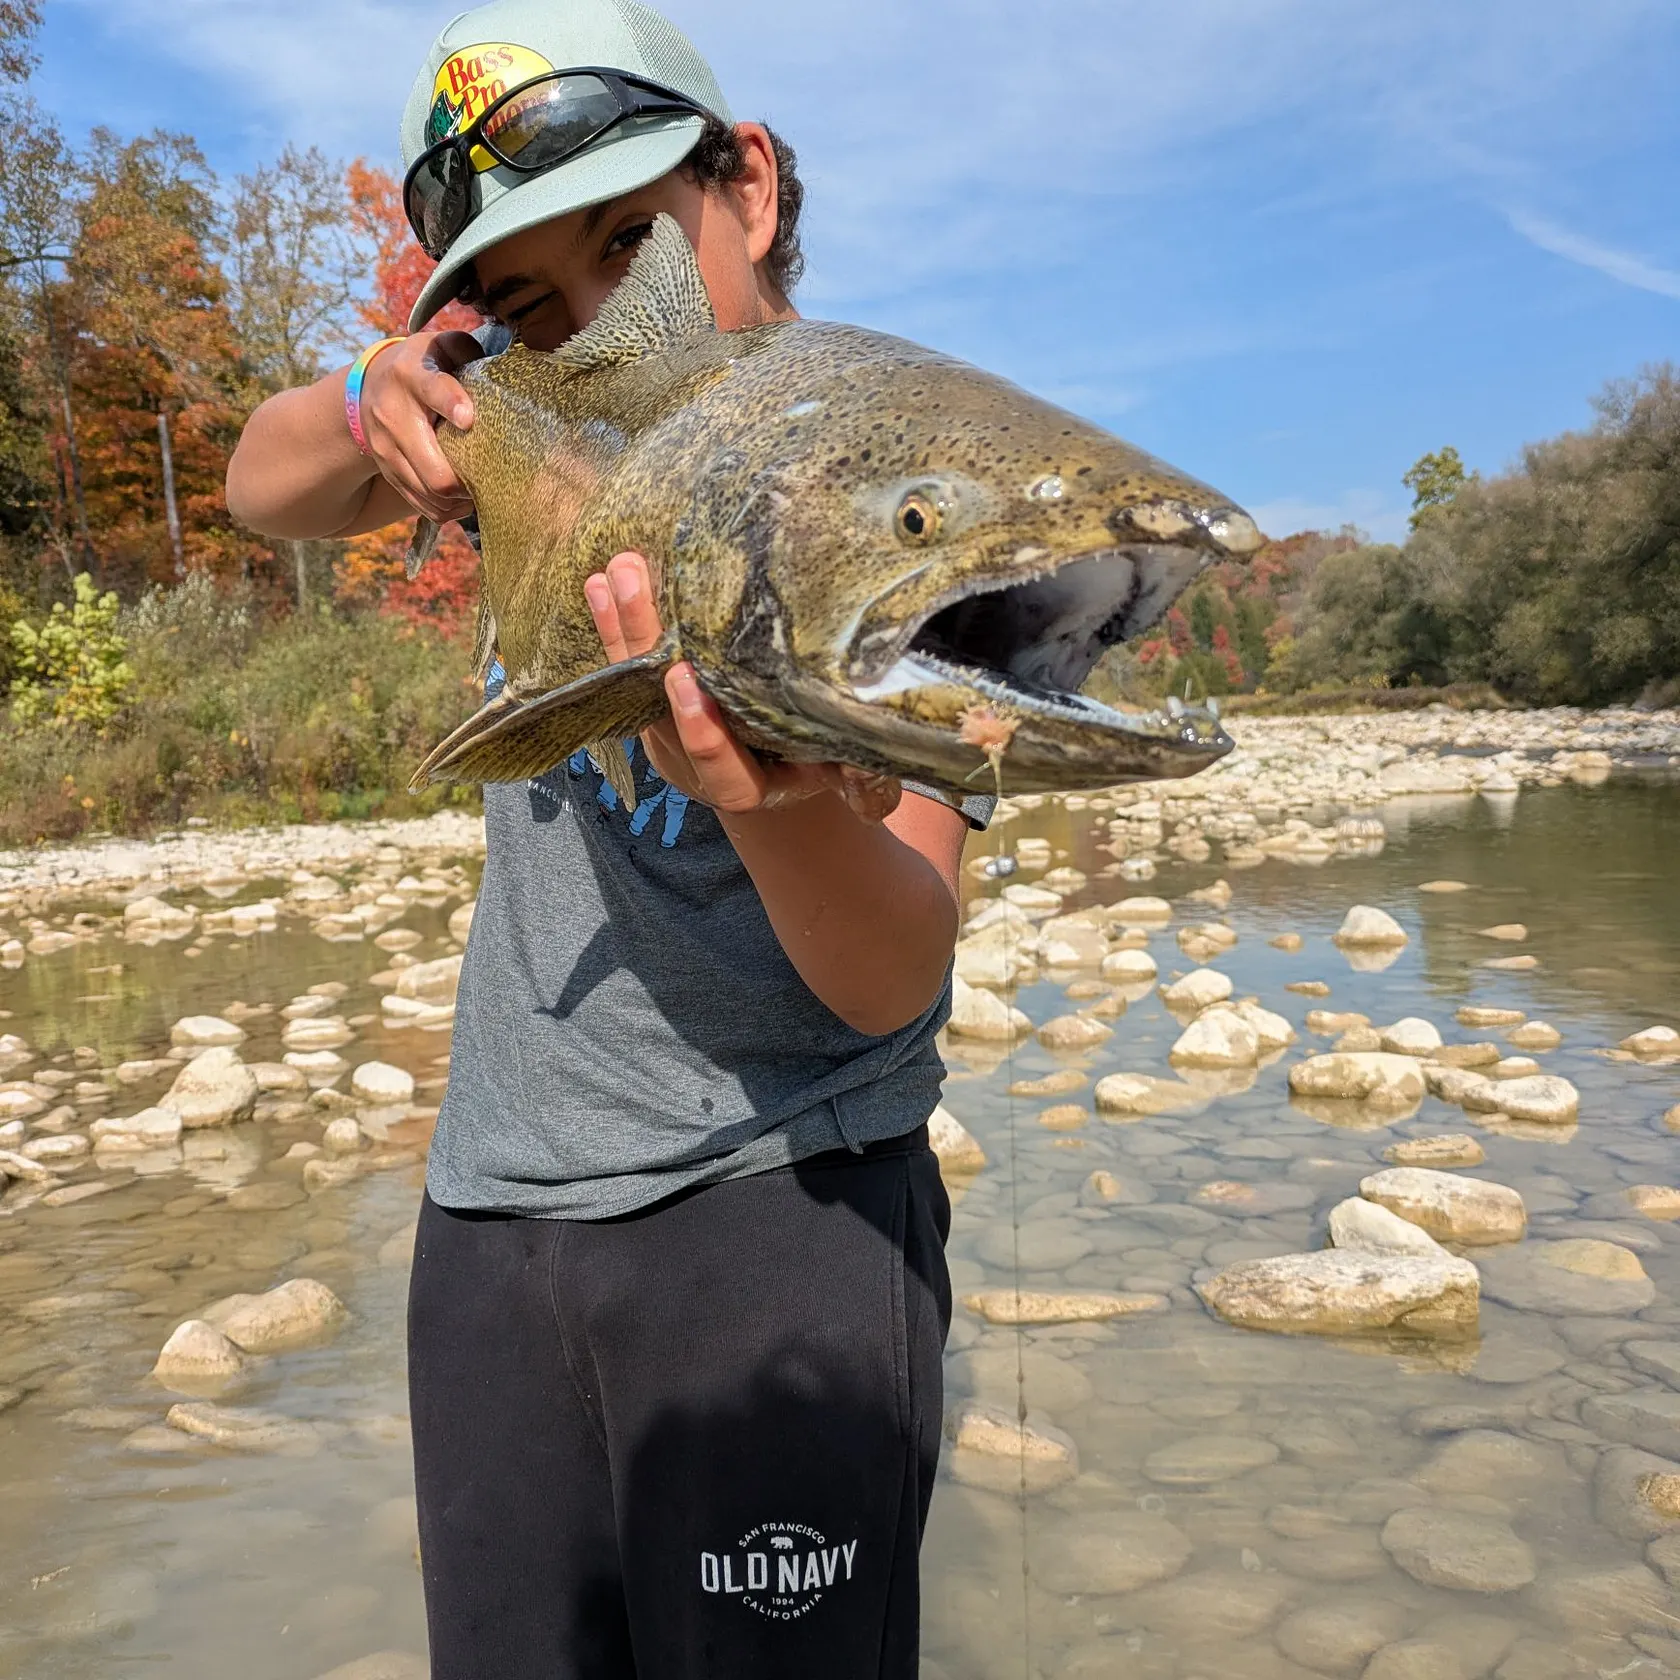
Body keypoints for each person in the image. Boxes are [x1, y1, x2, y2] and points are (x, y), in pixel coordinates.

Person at [226, 2, 992, 1674]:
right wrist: (376, 391)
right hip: (485, 1235)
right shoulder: (531, 440)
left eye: (629, 250)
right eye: (525, 308)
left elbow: (892, 974)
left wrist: (774, 810)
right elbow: (255, 486)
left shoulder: (923, 493)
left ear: (755, 185)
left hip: (781, 1223)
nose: (583, 329)